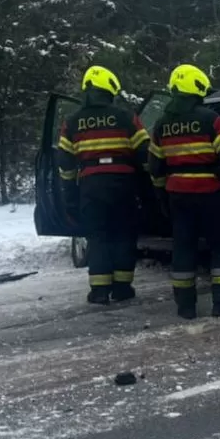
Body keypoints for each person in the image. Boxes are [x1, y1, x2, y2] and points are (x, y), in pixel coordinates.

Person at [147, 64, 220, 319]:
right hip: (211, 192)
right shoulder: (210, 119)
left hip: (178, 195)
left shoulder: (162, 124)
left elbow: (155, 166)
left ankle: (185, 306)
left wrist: (161, 194)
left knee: (183, 248)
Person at [56, 65, 150, 304]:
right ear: (109, 89)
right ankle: (122, 288)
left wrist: (70, 197)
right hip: (123, 184)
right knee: (123, 235)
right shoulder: (126, 117)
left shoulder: (73, 122)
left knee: (98, 236)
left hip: (90, 185)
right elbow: (145, 152)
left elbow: (65, 163)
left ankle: (98, 290)